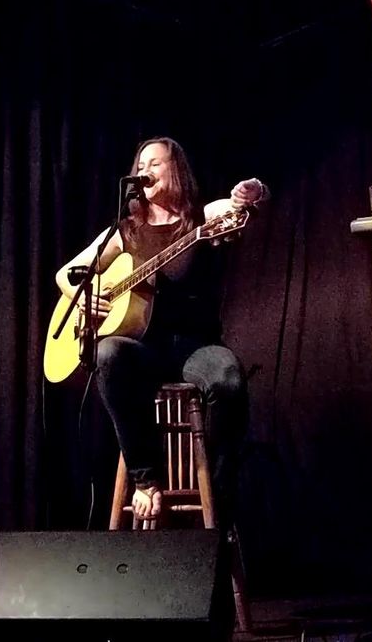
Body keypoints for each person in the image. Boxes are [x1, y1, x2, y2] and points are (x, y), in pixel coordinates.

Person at [54, 137, 268, 523]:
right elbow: (66, 274)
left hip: (195, 347)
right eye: (140, 166)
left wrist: (251, 194)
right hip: (144, 351)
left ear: (176, 169)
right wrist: (85, 298)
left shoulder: (201, 218)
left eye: (155, 164)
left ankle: (221, 490)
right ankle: (145, 479)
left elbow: (234, 208)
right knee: (108, 352)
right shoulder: (126, 231)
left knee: (228, 379)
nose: (145, 172)